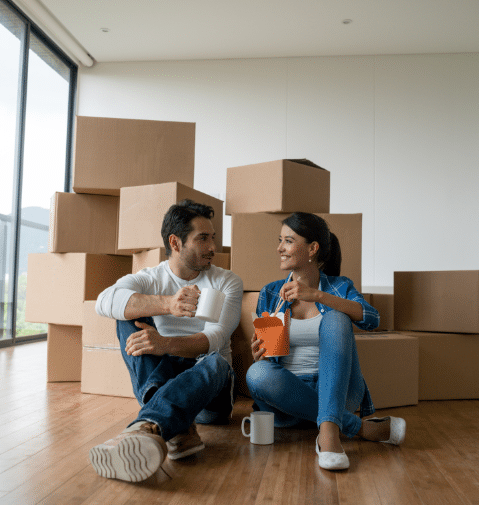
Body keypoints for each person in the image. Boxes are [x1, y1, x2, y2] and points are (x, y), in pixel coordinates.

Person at [89, 199, 243, 482]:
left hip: (210, 389)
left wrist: (165, 344)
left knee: (217, 363)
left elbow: (216, 337)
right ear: (175, 242)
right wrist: (167, 304)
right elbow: (103, 301)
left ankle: (147, 424)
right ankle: (172, 429)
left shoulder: (227, 281)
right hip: (164, 374)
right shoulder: (151, 279)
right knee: (125, 313)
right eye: (203, 238)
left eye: (213, 238)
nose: (213, 247)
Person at [246, 212, 406, 471]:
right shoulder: (271, 292)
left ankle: (329, 434)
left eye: (288, 240)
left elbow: (373, 319)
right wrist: (261, 355)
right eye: (280, 240)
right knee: (257, 373)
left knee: (337, 320)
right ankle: (355, 427)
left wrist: (318, 296)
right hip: (289, 399)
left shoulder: (339, 286)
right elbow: (269, 355)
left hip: (338, 391)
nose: (279, 248)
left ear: (312, 248)